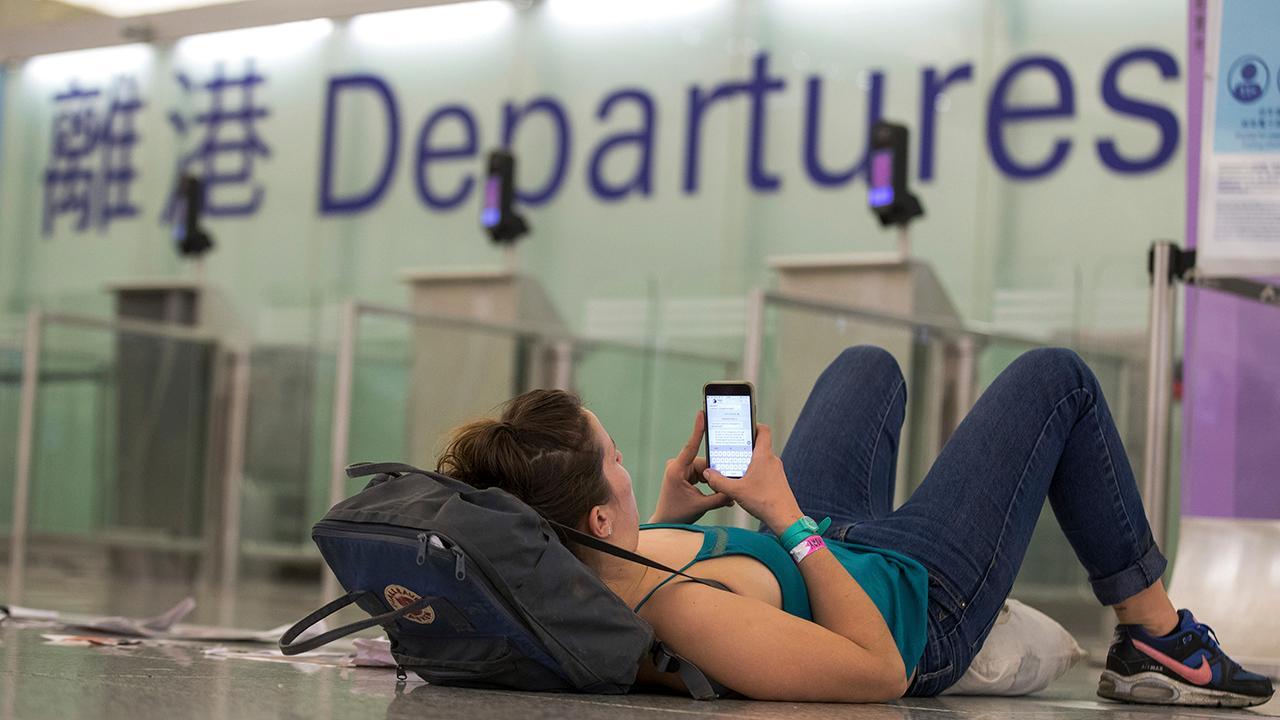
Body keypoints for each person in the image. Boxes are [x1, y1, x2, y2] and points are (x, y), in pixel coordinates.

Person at [435, 346, 1274, 706]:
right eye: (615, 457)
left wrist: (666, 514)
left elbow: (634, 569)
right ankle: (1157, 637)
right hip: (918, 601)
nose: (627, 459)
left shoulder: (586, 561)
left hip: (830, 546)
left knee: (865, 367)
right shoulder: (683, 611)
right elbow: (877, 672)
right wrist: (785, 517)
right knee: (1057, 380)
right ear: (593, 515)